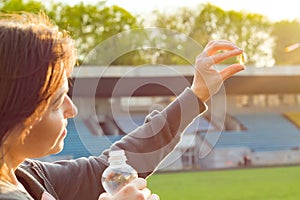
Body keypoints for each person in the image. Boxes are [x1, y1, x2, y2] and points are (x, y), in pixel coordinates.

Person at [0, 12, 244, 200]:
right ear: (14, 112)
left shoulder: (24, 174)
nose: (71, 110)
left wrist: (196, 94)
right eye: (56, 102)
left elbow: (108, 170)